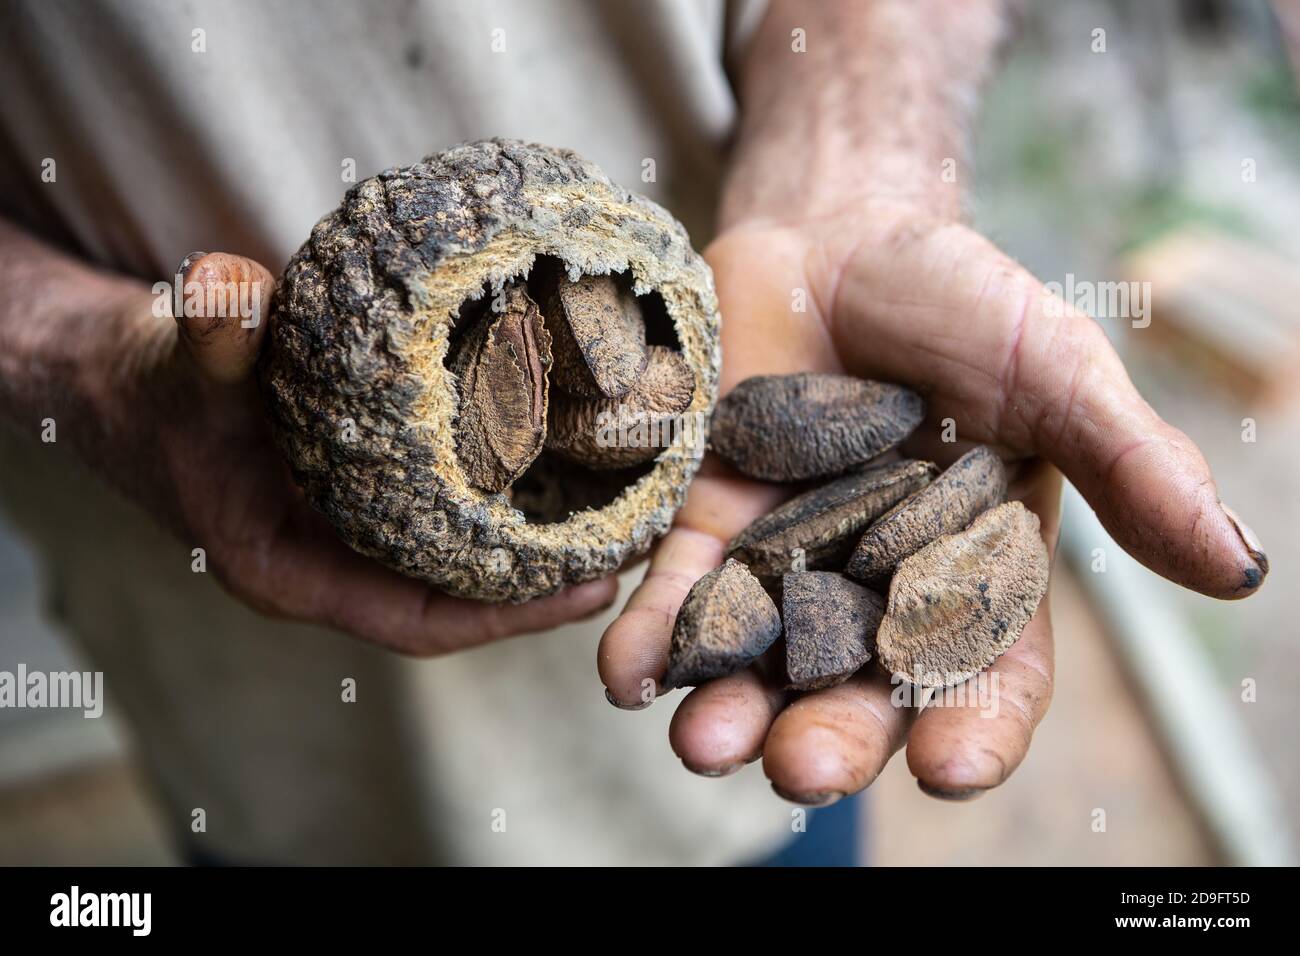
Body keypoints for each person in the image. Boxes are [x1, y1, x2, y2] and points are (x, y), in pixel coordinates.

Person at [0, 0, 1267, 865]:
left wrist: (851, 165)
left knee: (794, 780)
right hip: (266, 741)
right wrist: (76, 360)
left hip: (716, 727)